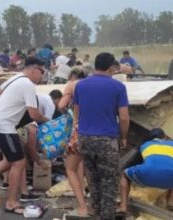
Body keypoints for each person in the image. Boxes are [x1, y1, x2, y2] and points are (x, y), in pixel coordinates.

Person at [0, 57, 49, 215]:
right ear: (34, 69)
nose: (41, 76)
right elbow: (33, 113)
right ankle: (11, 202)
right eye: (42, 72)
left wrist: (9, 103)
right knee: (19, 162)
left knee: (10, 158)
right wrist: (46, 119)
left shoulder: (16, 77)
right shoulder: (28, 84)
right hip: (4, 126)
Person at [73, 52, 130, 219]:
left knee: (93, 179)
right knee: (109, 182)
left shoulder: (80, 85)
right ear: (111, 67)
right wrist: (124, 137)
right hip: (107, 140)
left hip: (85, 138)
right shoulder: (118, 87)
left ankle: (96, 213)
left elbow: (76, 112)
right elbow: (124, 117)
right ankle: (106, 216)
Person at [118, 128, 173, 215]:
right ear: (165, 137)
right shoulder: (171, 144)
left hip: (148, 173)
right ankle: (170, 202)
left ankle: (123, 207)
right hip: (171, 176)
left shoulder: (145, 145)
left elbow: (133, 163)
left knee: (124, 175)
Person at [58, 67, 88, 217]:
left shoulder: (72, 84)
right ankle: (89, 194)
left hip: (78, 127)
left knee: (72, 166)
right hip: (96, 128)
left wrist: (69, 114)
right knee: (90, 164)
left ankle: (82, 204)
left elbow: (61, 105)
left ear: (72, 76)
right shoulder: (90, 84)